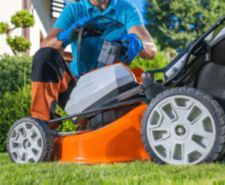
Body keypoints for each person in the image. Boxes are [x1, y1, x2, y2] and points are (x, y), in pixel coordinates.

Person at [30, 0, 157, 122]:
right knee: (45, 55)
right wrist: (64, 36)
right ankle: (42, 123)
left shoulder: (125, 10)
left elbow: (151, 51)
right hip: (76, 91)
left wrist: (139, 43)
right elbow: (45, 46)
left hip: (112, 89)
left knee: (140, 85)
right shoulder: (74, 10)